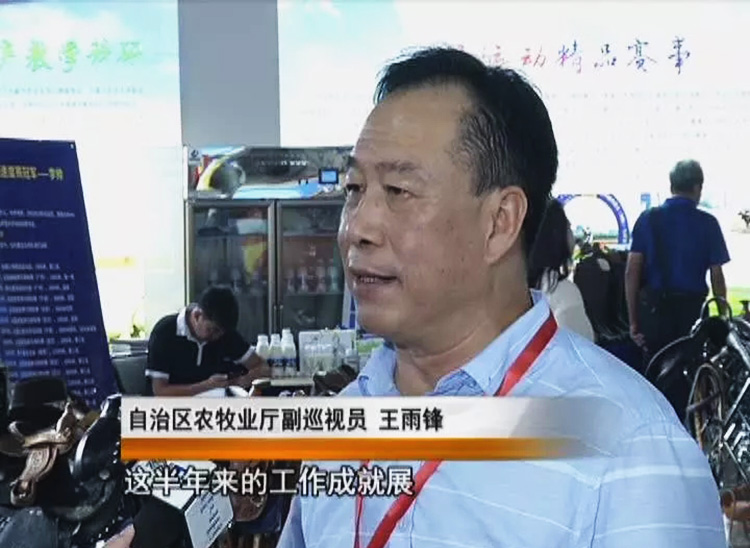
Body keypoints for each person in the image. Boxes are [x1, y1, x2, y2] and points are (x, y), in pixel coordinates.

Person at [277, 47, 724, 548]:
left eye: (398, 191)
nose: (357, 227)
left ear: (500, 222)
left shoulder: (629, 449)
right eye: (354, 188)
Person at [625, 159, 730, 363]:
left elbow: (631, 272)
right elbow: (717, 276)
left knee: (654, 372)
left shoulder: (648, 219)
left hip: (655, 312)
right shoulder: (708, 223)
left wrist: (633, 321)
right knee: (692, 371)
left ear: (671, 186)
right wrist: (723, 317)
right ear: (697, 188)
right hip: (693, 313)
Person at [145, 285, 270, 396]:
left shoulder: (224, 333)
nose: (217, 337)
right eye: (212, 330)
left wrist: (240, 381)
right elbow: (160, 391)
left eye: (221, 332)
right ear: (197, 316)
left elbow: (262, 367)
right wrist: (206, 386)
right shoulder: (165, 332)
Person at [527, 198, 595, 341]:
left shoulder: (519, 286)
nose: (573, 235)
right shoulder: (563, 291)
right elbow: (581, 344)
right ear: (557, 235)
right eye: (568, 227)